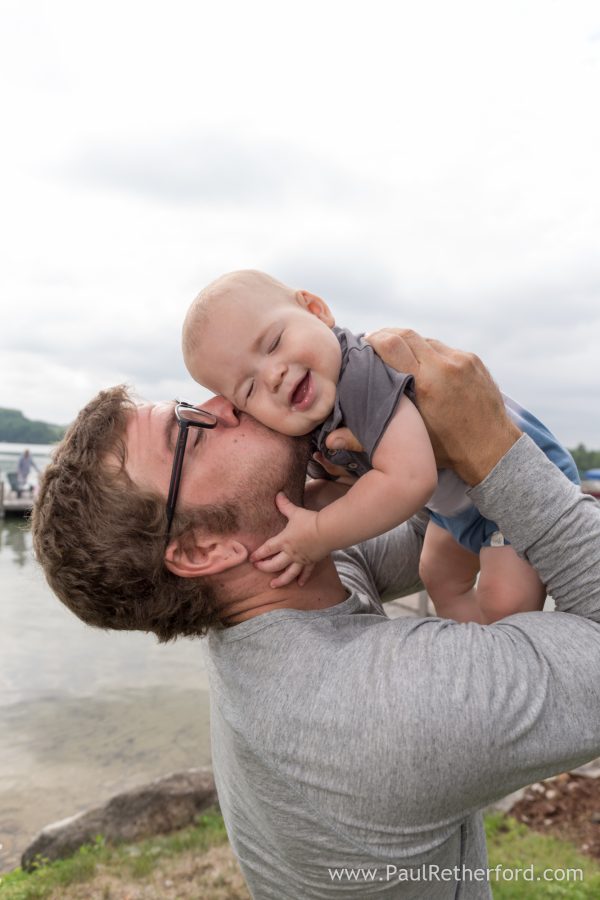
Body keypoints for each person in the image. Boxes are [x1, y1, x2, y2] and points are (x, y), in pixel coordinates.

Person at [32, 329, 600, 898]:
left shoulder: (277, 586)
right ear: (203, 551)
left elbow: (443, 522)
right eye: (186, 430)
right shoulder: (380, 708)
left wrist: (399, 447)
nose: (226, 402)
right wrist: (493, 442)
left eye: (188, 401)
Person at [181, 270, 579, 623]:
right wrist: (293, 507)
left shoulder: (361, 372)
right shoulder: (312, 418)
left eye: (273, 344)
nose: (272, 375)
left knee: (503, 600)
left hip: (516, 484)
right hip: (458, 509)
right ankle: (479, 654)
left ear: (317, 310)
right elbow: (354, 485)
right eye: (249, 388)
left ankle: (529, 658)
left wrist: (317, 534)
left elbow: (409, 478)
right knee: (438, 576)